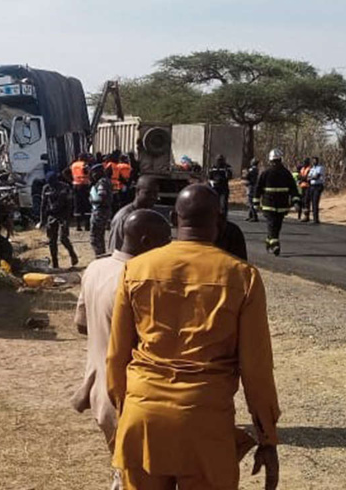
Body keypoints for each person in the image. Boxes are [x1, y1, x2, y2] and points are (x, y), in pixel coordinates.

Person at [107, 184, 280, 490]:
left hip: (143, 415)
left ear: (173, 218)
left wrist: (125, 414)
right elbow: (257, 370)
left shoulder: (135, 269)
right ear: (221, 222)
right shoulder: (242, 277)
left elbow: (117, 356)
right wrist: (267, 436)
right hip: (205, 421)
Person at [72, 209, 173, 490]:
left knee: (123, 472)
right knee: (133, 479)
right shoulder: (141, 280)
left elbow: (82, 325)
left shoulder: (96, 268)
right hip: (128, 400)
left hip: (99, 393)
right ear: (144, 240)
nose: (168, 247)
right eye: (164, 240)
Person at [254, 149, 300, 257]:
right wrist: (255, 203)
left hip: (278, 206)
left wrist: (296, 201)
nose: (276, 163)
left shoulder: (283, 173)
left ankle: (269, 241)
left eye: (277, 161)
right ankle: (275, 245)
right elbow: (258, 188)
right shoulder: (270, 173)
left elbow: (293, 189)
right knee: (272, 225)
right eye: (276, 161)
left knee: (276, 226)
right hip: (272, 205)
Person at [107, 175, 161, 253]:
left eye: (155, 193)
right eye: (148, 193)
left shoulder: (151, 216)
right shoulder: (124, 217)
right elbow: (115, 249)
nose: (152, 197)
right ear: (137, 191)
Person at [38, 172, 79, 269]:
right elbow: (43, 205)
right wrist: (42, 220)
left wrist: (69, 218)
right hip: (51, 217)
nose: (52, 184)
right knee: (52, 241)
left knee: (63, 238)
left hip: (63, 216)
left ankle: (72, 255)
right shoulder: (46, 188)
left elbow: (70, 203)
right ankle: (55, 263)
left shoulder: (65, 187)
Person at [90, 164, 114, 258]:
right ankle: (101, 256)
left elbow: (102, 198)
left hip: (100, 212)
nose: (93, 175)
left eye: (94, 173)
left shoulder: (102, 183)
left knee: (95, 238)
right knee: (99, 237)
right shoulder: (105, 181)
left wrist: (91, 200)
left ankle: (100, 257)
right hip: (102, 211)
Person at [71, 154, 92, 231]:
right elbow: (87, 172)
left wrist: (72, 181)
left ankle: (78, 226)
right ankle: (87, 226)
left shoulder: (73, 165)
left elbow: (65, 172)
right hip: (84, 186)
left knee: (77, 205)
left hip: (76, 185)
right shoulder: (84, 164)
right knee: (86, 205)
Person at [308, 156, 325, 224]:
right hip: (312, 186)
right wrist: (311, 177)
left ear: (317, 161)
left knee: (315, 202)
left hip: (318, 186)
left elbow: (316, 176)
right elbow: (308, 177)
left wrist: (311, 177)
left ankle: (316, 219)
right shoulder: (312, 168)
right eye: (313, 161)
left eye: (315, 161)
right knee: (312, 202)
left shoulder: (320, 168)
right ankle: (314, 218)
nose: (313, 162)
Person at [244, 158, 260, 222]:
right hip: (254, 186)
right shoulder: (257, 170)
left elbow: (247, 177)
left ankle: (254, 216)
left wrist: (246, 174)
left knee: (251, 202)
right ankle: (250, 215)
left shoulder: (252, 170)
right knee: (251, 201)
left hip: (251, 187)